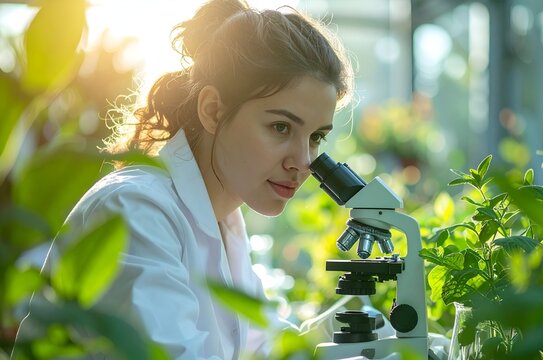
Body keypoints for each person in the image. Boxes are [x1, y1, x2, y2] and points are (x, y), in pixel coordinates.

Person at [13, 0, 354, 358]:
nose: (303, 162)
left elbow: (259, 344)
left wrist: (351, 331)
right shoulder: (135, 209)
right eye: (280, 127)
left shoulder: (222, 217)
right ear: (212, 110)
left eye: (316, 137)